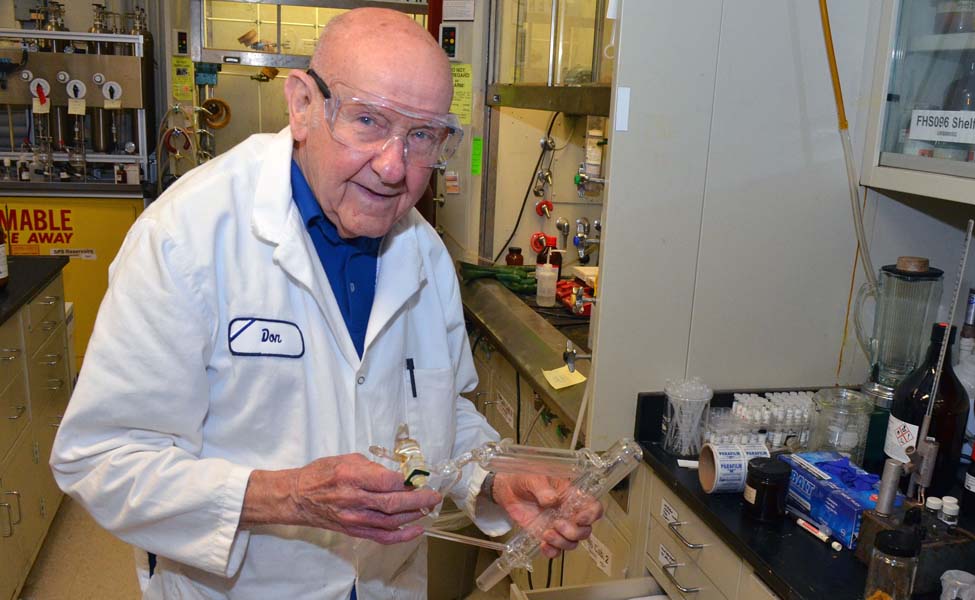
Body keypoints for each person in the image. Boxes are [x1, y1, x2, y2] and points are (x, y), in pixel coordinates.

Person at [50, 8, 600, 599]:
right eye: (367, 120)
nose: (394, 168)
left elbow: (441, 416)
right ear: (303, 105)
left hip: (387, 585)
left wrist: (492, 480)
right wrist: (287, 496)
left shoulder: (423, 251)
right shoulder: (186, 238)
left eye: (421, 136)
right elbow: (101, 458)